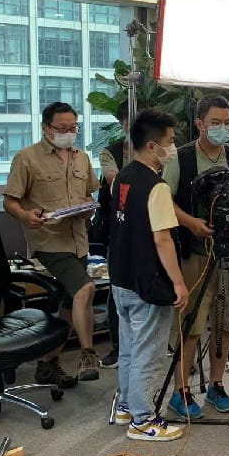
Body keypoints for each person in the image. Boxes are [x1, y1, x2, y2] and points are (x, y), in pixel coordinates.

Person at [162, 95, 229, 420]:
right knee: (192, 324)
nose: (222, 128)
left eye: (227, 123)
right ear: (200, 123)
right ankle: (181, 390)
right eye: (215, 123)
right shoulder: (182, 158)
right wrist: (191, 223)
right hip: (196, 252)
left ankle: (216, 384)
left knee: (227, 322)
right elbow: (164, 200)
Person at [3, 102, 101, 387]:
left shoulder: (82, 158)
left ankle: (47, 365)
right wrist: (25, 216)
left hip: (78, 240)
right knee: (85, 288)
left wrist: (88, 207)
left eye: (73, 128)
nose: (69, 133)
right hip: (49, 240)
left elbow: (88, 196)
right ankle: (88, 355)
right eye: (62, 128)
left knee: (71, 305)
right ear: (46, 128)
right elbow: (10, 200)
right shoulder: (27, 158)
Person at [109, 109, 188, 441]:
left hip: (121, 278)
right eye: (170, 141)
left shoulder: (122, 177)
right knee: (149, 352)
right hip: (147, 282)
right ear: (153, 146)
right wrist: (179, 282)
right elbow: (162, 239)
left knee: (129, 348)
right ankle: (142, 420)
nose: (173, 147)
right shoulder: (156, 187)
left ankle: (126, 405)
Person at [91, 136, 127, 370]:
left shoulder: (162, 150)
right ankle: (117, 347)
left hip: (150, 228)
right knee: (118, 288)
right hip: (116, 227)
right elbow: (116, 183)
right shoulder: (110, 152)